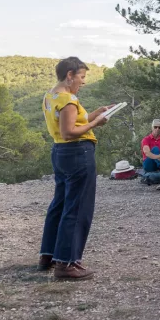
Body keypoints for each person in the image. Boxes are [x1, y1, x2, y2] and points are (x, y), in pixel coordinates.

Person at [39, 57, 112, 281]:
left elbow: (67, 126)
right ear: (69, 75)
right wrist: (95, 124)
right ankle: (67, 263)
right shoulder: (68, 100)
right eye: (81, 77)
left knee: (60, 204)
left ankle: (49, 255)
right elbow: (70, 131)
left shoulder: (51, 96)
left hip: (60, 153)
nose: (83, 81)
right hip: (77, 153)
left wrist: (93, 115)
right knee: (77, 207)